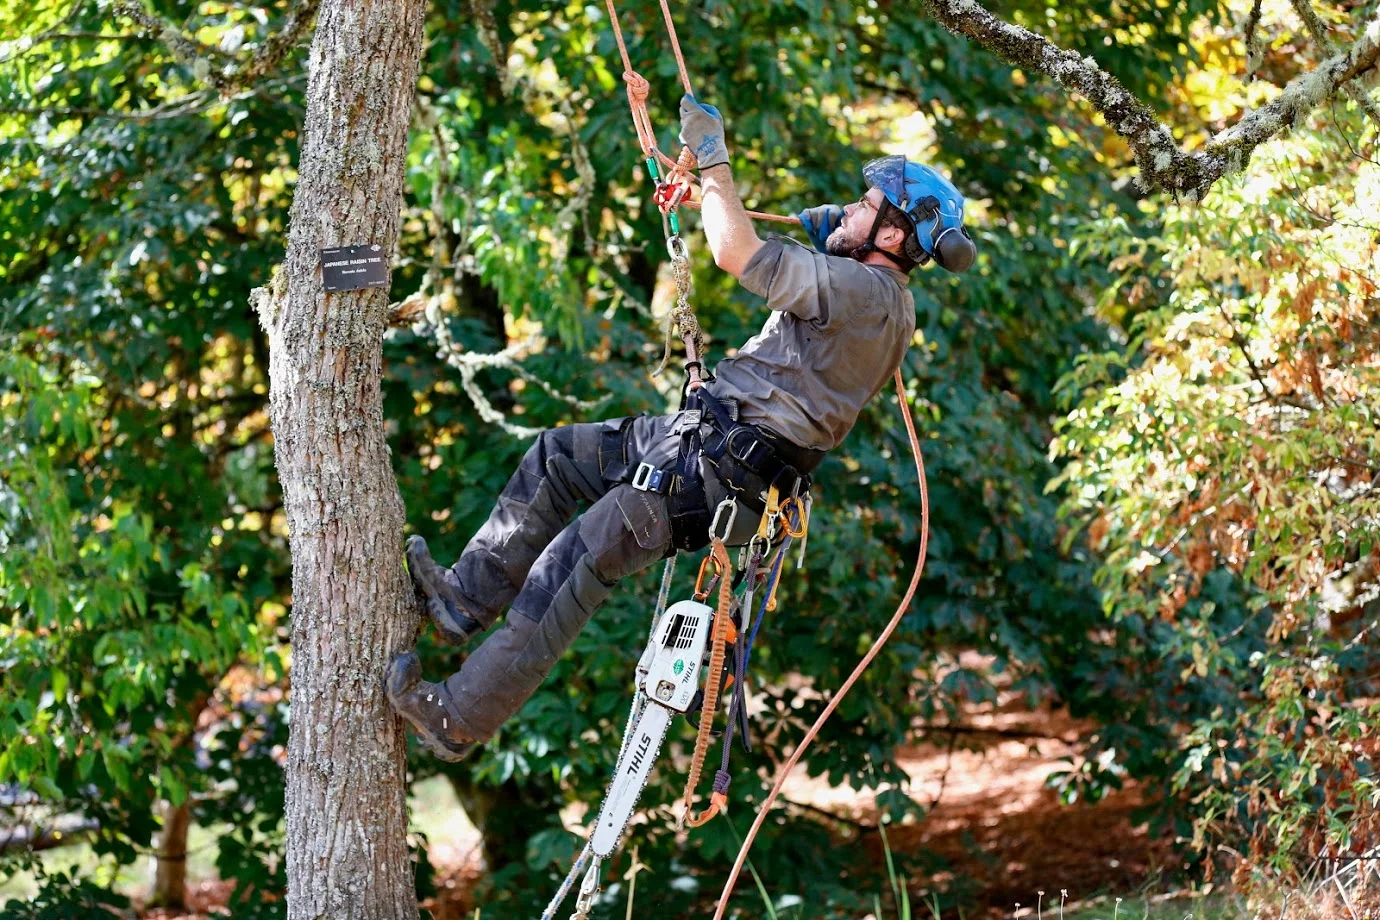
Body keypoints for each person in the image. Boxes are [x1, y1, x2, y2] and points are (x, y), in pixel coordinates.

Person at [385, 96, 976, 761]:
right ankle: (465, 597)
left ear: (895, 236)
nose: (851, 209)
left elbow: (736, 254)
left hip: (710, 477)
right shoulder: (877, 297)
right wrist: (770, 212)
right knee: (557, 456)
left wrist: (715, 158)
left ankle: (460, 716)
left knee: (571, 565)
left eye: (866, 206)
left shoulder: (862, 293)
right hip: (699, 445)